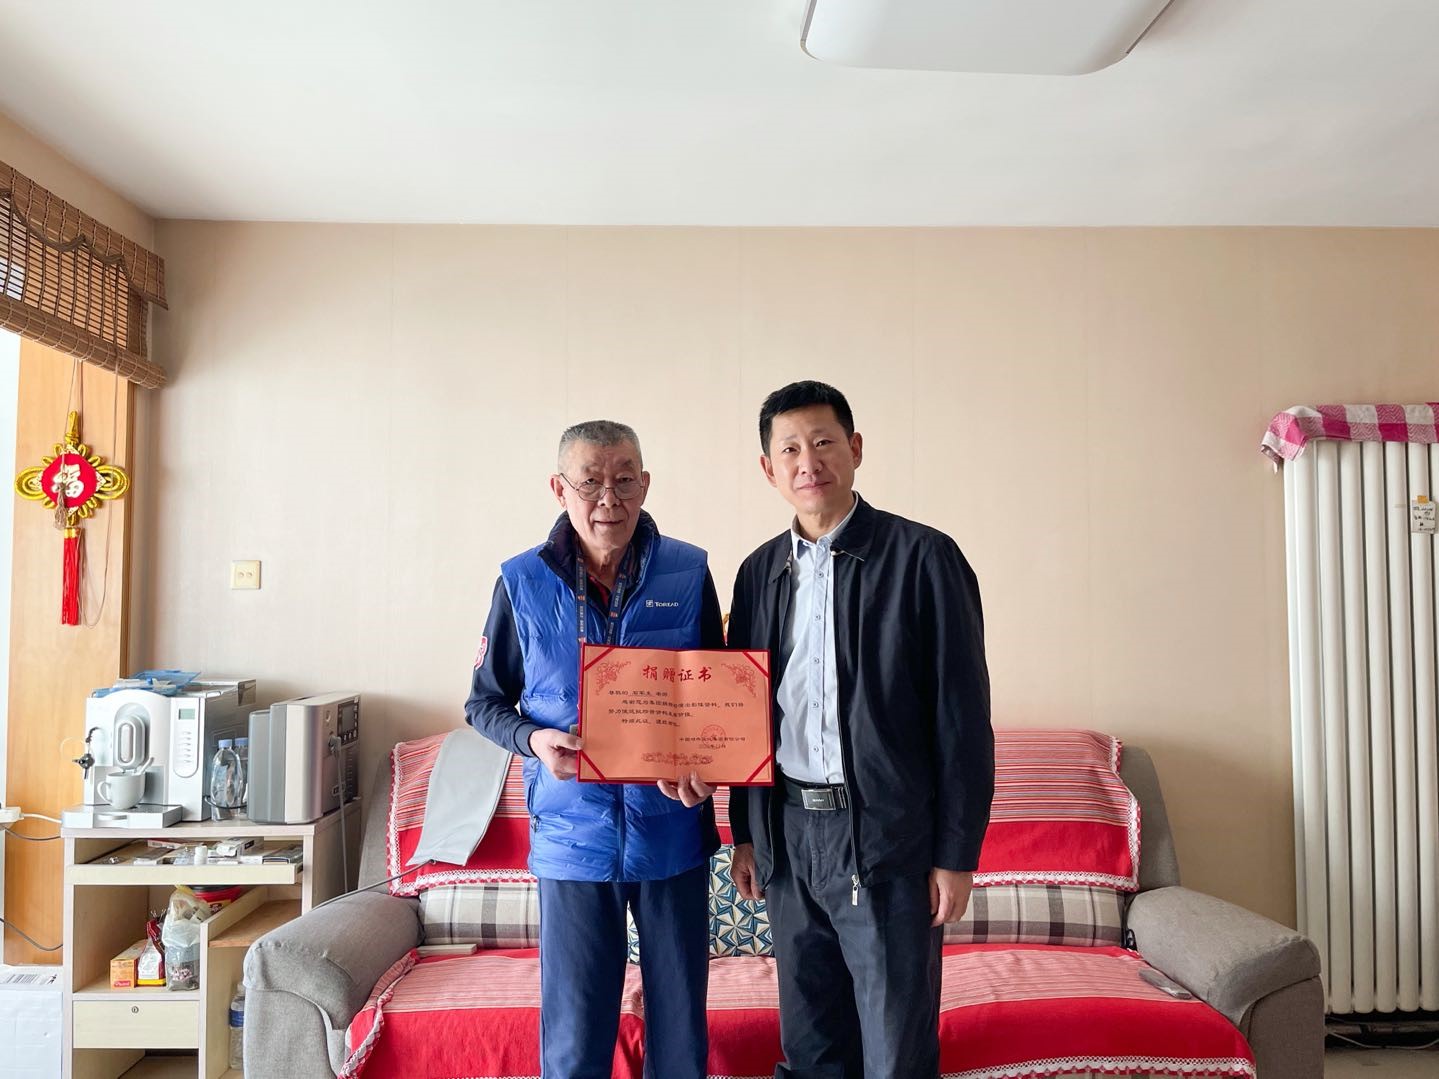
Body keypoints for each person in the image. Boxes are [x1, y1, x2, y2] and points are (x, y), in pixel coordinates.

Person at [726, 381, 994, 1079]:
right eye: (789, 449)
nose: (807, 461)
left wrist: (956, 853)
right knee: (810, 1044)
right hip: (788, 837)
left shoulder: (924, 558)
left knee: (894, 1050)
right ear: (768, 469)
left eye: (823, 442)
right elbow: (744, 714)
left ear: (855, 448)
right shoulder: (758, 572)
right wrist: (746, 830)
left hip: (886, 836)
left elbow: (962, 719)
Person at [465, 419, 723, 1079]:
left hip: (672, 835)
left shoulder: (689, 571)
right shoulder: (521, 581)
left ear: (645, 484)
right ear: (559, 488)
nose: (609, 498)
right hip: (571, 839)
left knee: (681, 1040)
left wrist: (707, 766)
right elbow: (484, 704)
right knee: (575, 1044)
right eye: (590, 482)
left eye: (624, 480)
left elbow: (719, 697)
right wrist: (533, 739)